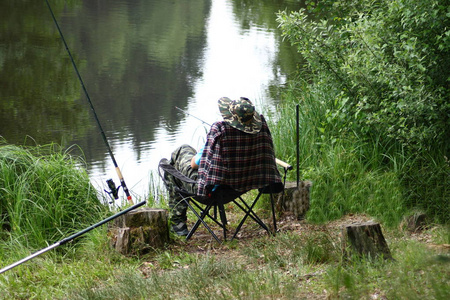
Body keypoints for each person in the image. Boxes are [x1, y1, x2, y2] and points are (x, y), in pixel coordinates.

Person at [164, 97, 281, 236]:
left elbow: (194, 164)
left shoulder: (220, 131)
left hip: (212, 192)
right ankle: (178, 224)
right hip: (242, 187)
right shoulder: (261, 131)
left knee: (176, 159)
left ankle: (178, 224)